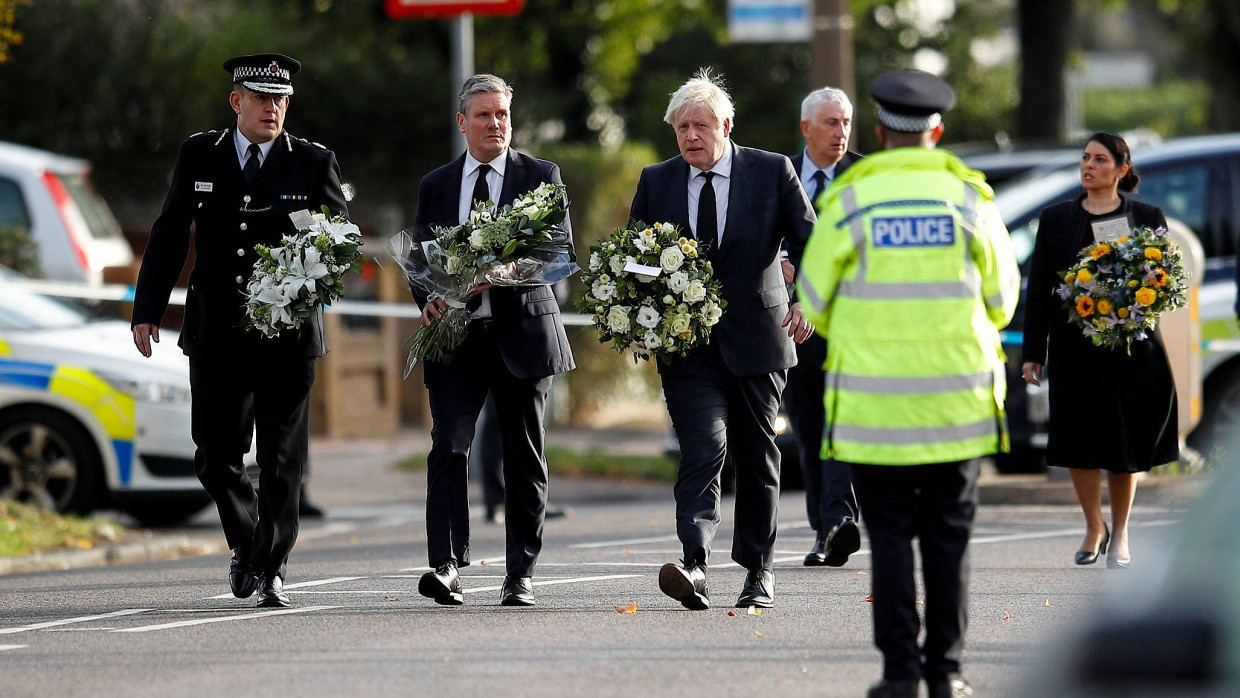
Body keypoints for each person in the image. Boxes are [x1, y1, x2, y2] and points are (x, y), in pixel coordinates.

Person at [797, 69, 1020, 698]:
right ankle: (946, 674)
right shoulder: (970, 197)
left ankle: (899, 676)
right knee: (949, 539)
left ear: (877, 132)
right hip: (956, 403)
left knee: (890, 537)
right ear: (938, 132)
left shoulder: (849, 198)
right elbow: (1004, 299)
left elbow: (812, 302)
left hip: (874, 407)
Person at [131, 53, 349, 608]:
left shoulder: (313, 162)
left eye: (281, 100)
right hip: (218, 330)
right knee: (214, 455)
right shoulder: (199, 153)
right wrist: (147, 309)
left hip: (287, 335)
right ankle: (247, 541)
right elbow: (170, 232)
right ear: (237, 102)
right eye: (260, 98)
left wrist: (306, 282)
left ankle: (270, 568)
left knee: (280, 458)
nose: (271, 108)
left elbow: (340, 244)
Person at [630, 68, 816, 611]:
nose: (691, 136)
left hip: (760, 337)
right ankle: (694, 562)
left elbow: (814, 243)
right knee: (703, 446)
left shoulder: (771, 171)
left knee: (758, 456)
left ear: (726, 126)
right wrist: (639, 311)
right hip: (687, 345)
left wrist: (807, 296)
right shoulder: (656, 181)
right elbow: (634, 258)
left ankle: (758, 570)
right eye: (682, 127)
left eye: (701, 126)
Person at [408, 73, 575, 607]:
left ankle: (519, 573)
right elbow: (419, 260)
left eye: (502, 114)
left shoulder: (540, 175)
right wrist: (426, 298)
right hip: (457, 338)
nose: (494, 124)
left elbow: (558, 254)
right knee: (448, 447)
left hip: (522, 334)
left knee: (523, 455)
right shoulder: (436, 184)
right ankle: (446, 565)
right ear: (463, 123)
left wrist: (503, 274)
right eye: (483, 115)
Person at [1021, 132, 1179, 570]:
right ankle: (1094, 526)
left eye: (1100, 159)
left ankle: (1122, 530)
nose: (1088, 166)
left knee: (1123, 444)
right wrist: (1034, 352)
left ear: (1121, 170)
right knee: (1077, 442)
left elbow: (1161, 282)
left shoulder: (1146, 216)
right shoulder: (1056, 219)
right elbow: (1038, 291)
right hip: (1074, 351)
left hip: (1130, 352)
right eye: (1085, 158)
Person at [783, 86, 863, 567]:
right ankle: (824, 530)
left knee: (842, 425)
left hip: (853, 325)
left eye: (847, 123)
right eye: (831, 123)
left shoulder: (866, 177)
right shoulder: (780, 174)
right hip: (796, 327)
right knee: (811, 431)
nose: (840, 132)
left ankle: (838, 521)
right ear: (806, 128)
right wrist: (781, 267)